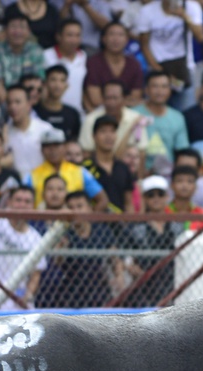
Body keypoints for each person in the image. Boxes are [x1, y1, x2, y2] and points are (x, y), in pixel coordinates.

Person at [0, 185, 47, 310]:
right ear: (9, 202)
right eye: (18, 200)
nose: (22, 205)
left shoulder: (36, 238)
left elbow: (36, 274)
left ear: (33, 206)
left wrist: (28, 296)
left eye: (27, 201)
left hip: (17, 302)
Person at [135, 0, 203, 111]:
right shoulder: (147, 11)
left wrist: (184, 16)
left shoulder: (191, 7)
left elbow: (200, 36)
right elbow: (144, 45)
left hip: (183, 71)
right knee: (153, 112)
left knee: (186, 114)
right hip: (157, 71)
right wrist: (160, 71)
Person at [125, 174, 181, 306]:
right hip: (144, 285)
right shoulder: (136, 227)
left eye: (160, 194)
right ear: (144, 198)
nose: (156, 199)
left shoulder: (176, 226)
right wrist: (130, 266)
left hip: (173, 281)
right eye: (151, 195)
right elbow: (125, 252)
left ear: (167, 197)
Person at [26, 127, 107, 209]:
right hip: (42, 220)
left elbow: (103, 200)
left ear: (65, 147)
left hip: (73, 221)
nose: (52, 150)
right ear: (42, 150)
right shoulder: (32, 176)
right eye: (48, 146)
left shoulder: (80, 172)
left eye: (56, 145)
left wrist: (86, 219)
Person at [133, 71, 189, 170]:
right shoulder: (134, 114)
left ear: (170, 90)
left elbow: (182, 151)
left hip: (168, 175)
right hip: (138, 173)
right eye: (155, 86)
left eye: (164, 87)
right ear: (146, 90)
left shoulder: (178, 118)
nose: (160, 91)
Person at [78, 80, 148, 157]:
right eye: (108, 98)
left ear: (124, 99)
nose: (111, 103)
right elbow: (86, 153)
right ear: (103, 99)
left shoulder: (135, 118)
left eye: (115, 98)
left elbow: (141, 153)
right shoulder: (90, 120)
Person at [84, 22, 143, 111]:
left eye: (120, 35)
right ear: (103, 39)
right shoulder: (93, 62)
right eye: (112, 34)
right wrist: (124, 101)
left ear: (127, 40)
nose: (116, 39)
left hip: (127, 113)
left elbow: (135, 98)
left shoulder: (134, 64)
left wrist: (112, 102)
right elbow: (95, 100)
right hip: (100, 113)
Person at [82, 114, 135, 213]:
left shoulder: (123, 168)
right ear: (94, 136)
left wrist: (129, 226)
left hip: (120, 225)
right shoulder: (85, 167)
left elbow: (128, 203)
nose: (108, 136)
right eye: (103, 131)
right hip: (94, 225)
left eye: (112, 131)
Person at [5, 84, 55, 178]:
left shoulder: (45, 129)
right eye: (9, 103)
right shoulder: (4, 133)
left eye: (17, 102)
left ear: (28, 104)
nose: (12, 107)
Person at [0, 11, 45, 87]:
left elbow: (39, 81)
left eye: (22, 27)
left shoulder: (36, 51)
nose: (17, 31)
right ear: (5, 30)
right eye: (13, 27)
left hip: (29, 96)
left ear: (29, 31)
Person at [43, 19, 88, 113]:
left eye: (77, 35)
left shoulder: (83, 57)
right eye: (69, 35)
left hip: (77, 114)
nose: (74, 40)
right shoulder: (45, 56)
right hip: (49, 113)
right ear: (58, 37)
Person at [35, 65, 82, 143]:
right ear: (45, 83)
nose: (57, 85)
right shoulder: (34, 112)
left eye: (62, 80)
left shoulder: (73, 114)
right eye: (53, 80)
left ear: (67, 86)